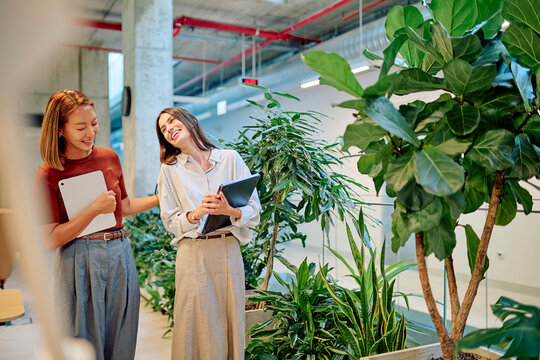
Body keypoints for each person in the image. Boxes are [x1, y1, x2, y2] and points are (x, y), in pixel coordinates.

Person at [34, 89, 159, 360]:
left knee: (123, 334)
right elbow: (51, 239)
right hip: (78, 258)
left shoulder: (109, 157)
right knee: (83, 338)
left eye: (94, 123)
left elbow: (124, 207)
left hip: (119, 253)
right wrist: (93, 210)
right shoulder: (48, 173)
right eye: (80, 127)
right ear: (59, 129)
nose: (91, 132)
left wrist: (161, 198)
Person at [156, 107, 261, 360]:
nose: (169, 128)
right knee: (193, 323)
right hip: (192, 252)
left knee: (230, 320)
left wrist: (228, 210)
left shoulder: (230, 159)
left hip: (228, 250)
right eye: (163, 129)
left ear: (190, 121)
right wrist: (197, 213)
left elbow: (255, 211)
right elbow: (170, 221)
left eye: (172, 121)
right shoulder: (169, 170)